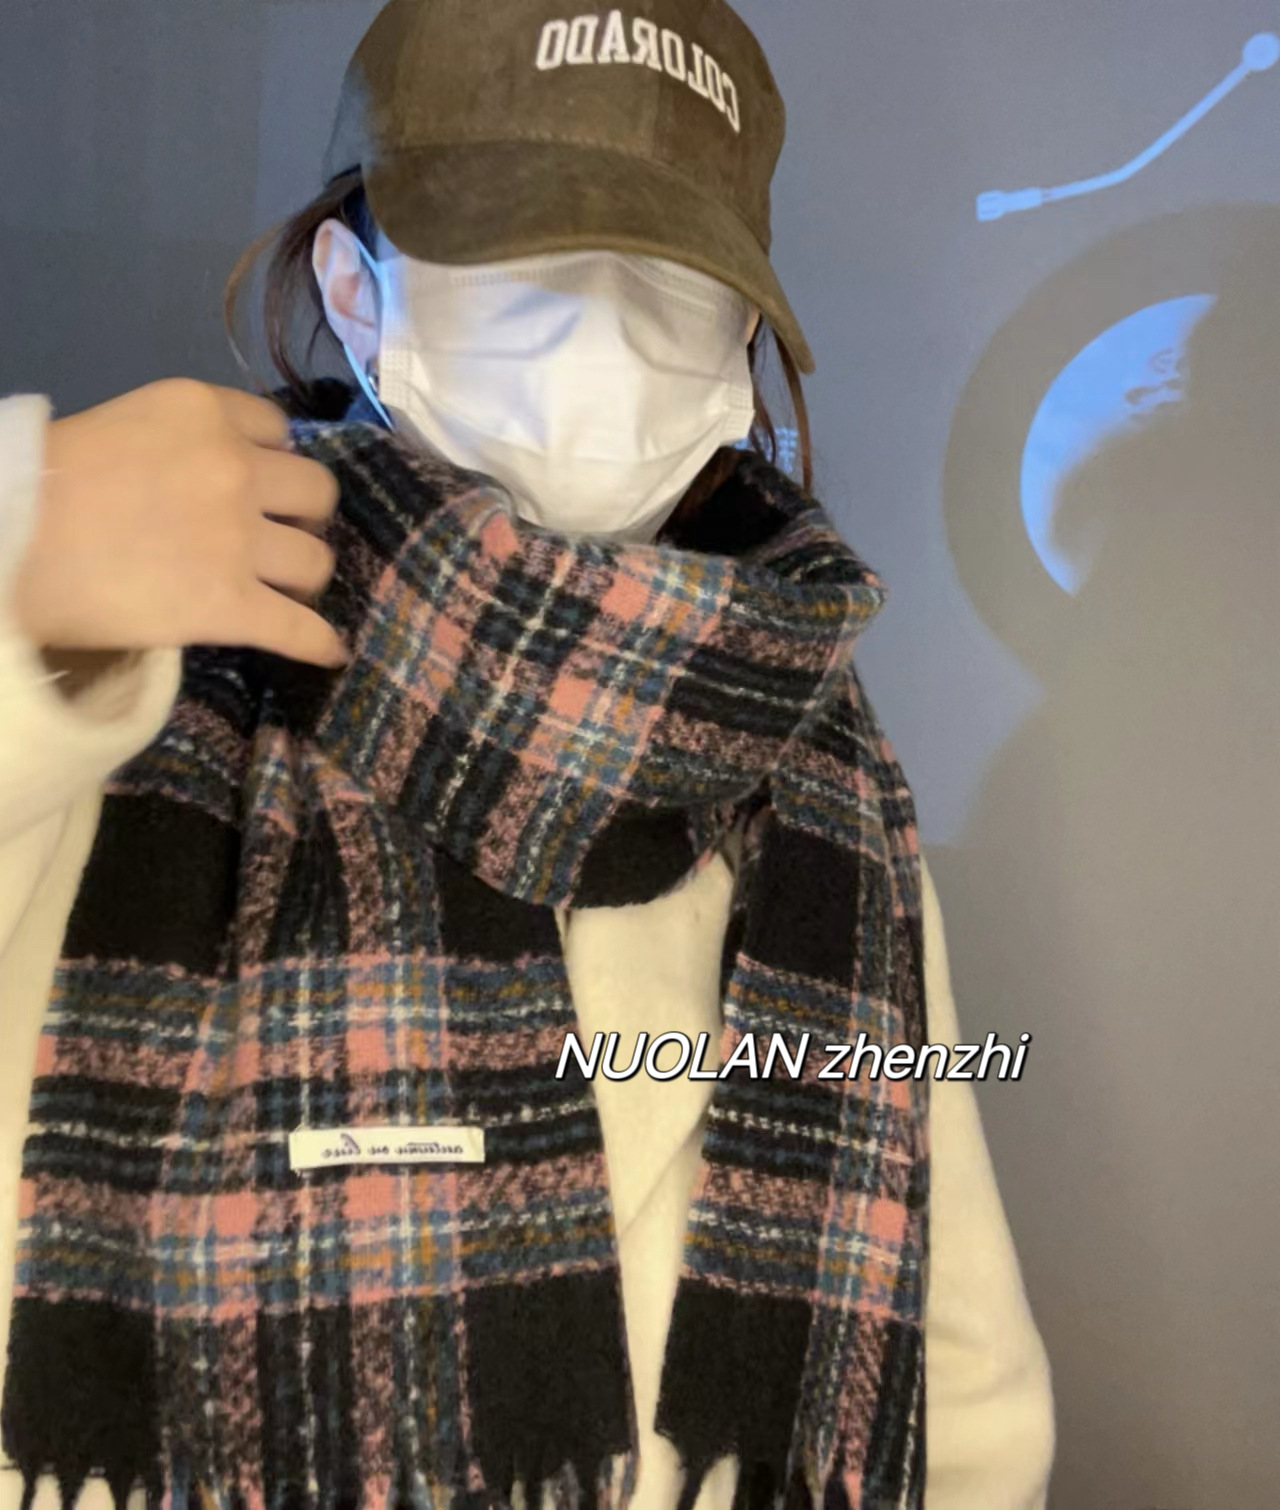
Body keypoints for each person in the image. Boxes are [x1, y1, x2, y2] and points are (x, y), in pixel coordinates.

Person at [0, 3, 1054, 1509]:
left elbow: (962, 1396)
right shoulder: (127, 665)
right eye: (520, 255)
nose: (601, 337)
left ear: (744, 343)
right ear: (354, 291)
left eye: (671, 284)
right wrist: (16, 551)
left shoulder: (813, 755)